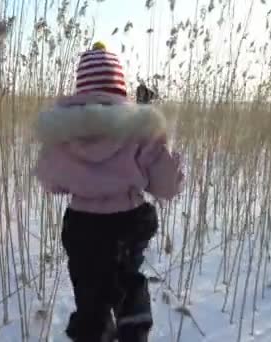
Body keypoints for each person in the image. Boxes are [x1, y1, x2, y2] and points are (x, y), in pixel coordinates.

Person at [33, 41, 184, 342]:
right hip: (128, 222)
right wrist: (166, 150)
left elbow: (49, 181)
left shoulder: (64, 137)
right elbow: (167, 186)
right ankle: (133, 328)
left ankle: (93, 328)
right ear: (121, 89)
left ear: (81, 90)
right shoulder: (140, 132)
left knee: (89, 289)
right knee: (128, 280)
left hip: (82, 226)